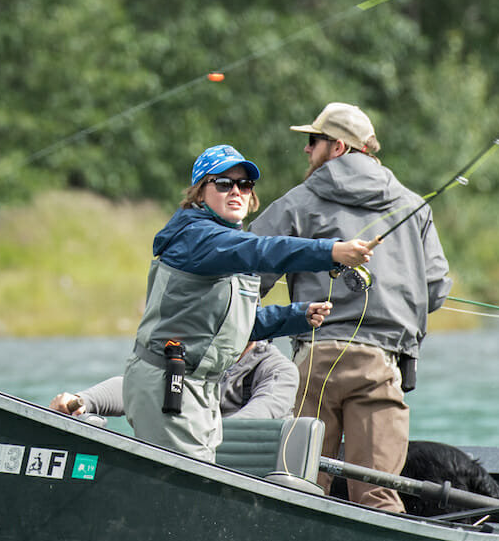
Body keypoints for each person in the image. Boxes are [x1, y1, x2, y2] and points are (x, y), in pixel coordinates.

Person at [251, 102, 452, 512]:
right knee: (378, 496)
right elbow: (436, 292)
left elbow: (247, 275)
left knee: (296, 487)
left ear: (338, 147)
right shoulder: (415, 206)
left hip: (314, 364)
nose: (307, 151)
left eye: (313, 141)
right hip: (380, 365)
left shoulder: (297, 201)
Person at [121, 144, 373, 462]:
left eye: (244, 184)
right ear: (200, 193)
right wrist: (331, 252)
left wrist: (296, 315)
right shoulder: (197, 237)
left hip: (199, 387)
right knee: (189, 487)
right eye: (224, 184)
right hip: (168, 384)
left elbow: (237, 325)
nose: (236, 191)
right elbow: (264, 249)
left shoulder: (226, 243)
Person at [50, 340, 299, 421]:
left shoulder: (279, 372)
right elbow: (141, 388)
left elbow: (252, 422)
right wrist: (84, 400)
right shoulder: (192, 354)